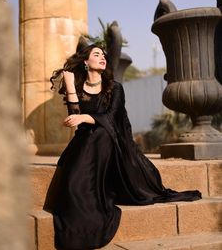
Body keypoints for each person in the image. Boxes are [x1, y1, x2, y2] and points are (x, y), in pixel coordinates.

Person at [47, 41, 202, 250]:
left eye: (104, 55)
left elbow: (110, 118)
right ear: (85, 61)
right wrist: (69, 86)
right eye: (96, 54)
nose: (103, 57)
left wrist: (85, 117)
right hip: (85, 143)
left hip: (114, 142)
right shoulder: (77, 88)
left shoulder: (115, 88)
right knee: (80, 167)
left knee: (101, 132)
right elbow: (75, 120)